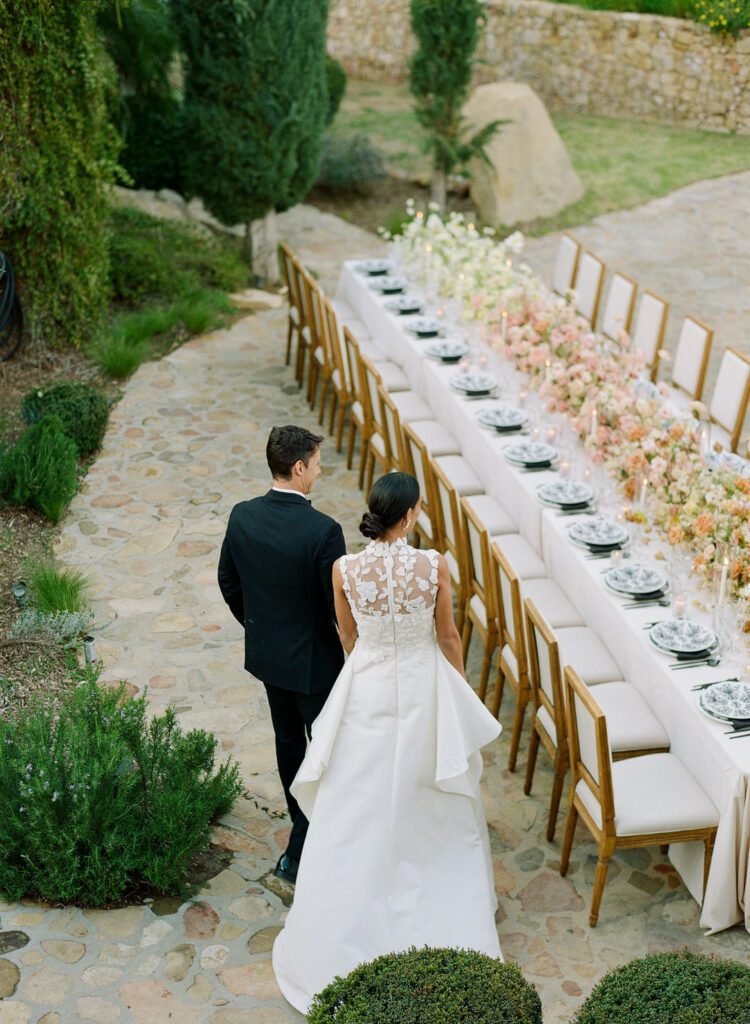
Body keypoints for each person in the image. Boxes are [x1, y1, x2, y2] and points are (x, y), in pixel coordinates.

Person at [272, 472, 502, 1013]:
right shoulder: (434, 565)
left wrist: (370, 672)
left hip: (368, 686)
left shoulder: (344, 568)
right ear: (411, 514)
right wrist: (457, 689)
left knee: (357, 805)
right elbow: (447, 635)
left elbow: (348, 636)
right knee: (435, 799)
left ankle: (349, 921)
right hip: (425, 686)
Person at [217, 425, 346, 883]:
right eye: (314, 464)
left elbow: (229, 584)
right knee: (330, 752)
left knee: (290, 746)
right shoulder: (324, 531)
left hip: (271, 659)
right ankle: (305, 843)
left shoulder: (242, 515)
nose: (318, 470)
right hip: (317, 666)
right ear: (297, 468)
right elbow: (336, 611)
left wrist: (262, 627)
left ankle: (301, 828)